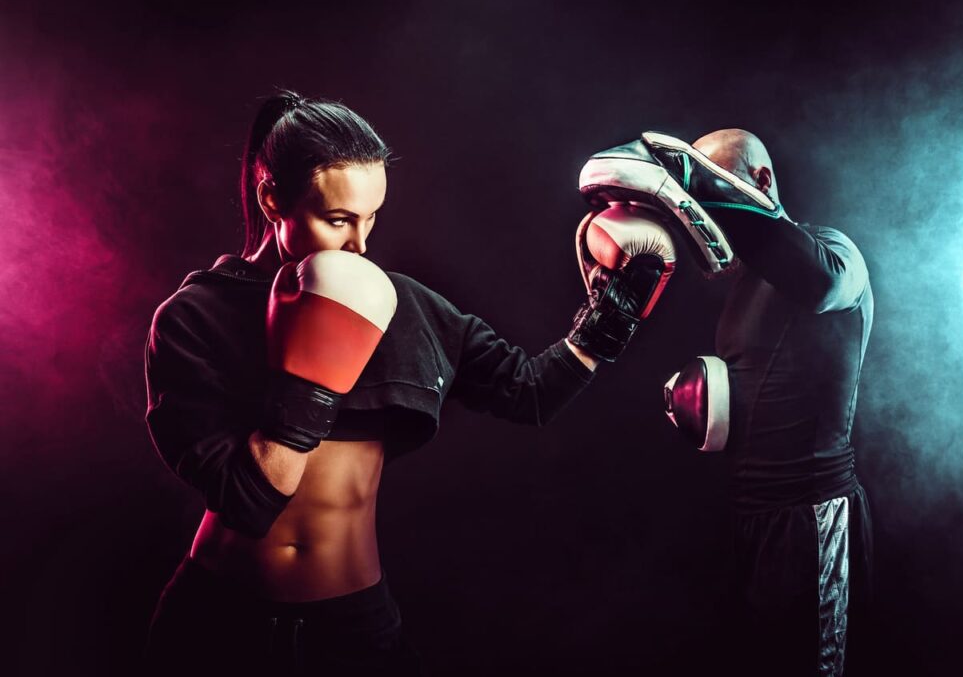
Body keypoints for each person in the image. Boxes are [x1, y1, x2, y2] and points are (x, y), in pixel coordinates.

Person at [142, 89, 677, 676]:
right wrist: (309, 375)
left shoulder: (400, 304)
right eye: (338, 219)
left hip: (351, 624)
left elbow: (527, 392)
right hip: (219, 619)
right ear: (273, 198)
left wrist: (607, 320)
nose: (361, 245)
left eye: (371, 217)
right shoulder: (194, 316)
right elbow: (249, 502)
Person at [581, 129, 873, 676]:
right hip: (749, 513)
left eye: (712, 180)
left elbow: (828, 287)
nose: (697, 205)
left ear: (759, 181)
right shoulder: (740, 280)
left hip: (810, 515)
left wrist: (693, 178)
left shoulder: (833, 248)